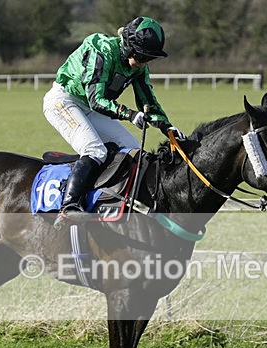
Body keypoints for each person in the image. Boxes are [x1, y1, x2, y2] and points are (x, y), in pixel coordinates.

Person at [43, 16, 185, 228]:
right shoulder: (102, 51)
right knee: (95, 150)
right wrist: (130, 114)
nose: (143, 62)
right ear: (128, 46)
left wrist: (168, 128)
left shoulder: (139, 67)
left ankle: (116, 200)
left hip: (90, 108)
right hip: (64, 101)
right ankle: (68, 207)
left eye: (149, 58)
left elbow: (148, 102)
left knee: (134, 151)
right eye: (141, 56)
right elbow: (96, 100)